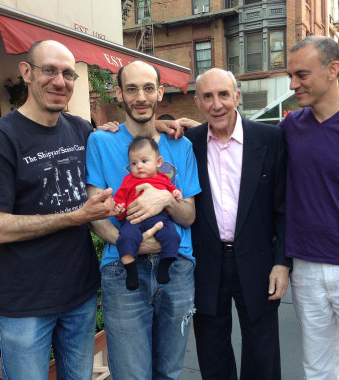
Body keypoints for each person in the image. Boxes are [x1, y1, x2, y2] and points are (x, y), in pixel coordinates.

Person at [0, 40, 119, 379]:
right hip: (25, 306)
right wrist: (75, 217)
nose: (60, 81)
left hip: (80, 295)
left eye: (68, 74)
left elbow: (126, 150)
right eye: (49, 71)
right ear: (26, 72)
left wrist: (162, 128)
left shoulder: (81, 129)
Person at [86, 60, 200, 379]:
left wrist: (166, 198)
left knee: (168, 372)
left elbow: (189, 215)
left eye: (148, 88)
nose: (141, 97)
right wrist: (133, 243)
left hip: (175, 267)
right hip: (123, 270)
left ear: (159, 93)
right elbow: (96, 216)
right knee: (131, 374)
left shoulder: (181, 144)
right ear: (119, 93)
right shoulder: (101, 141)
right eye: (132, 88)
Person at [184, 68, 289, 380]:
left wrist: (282, 263)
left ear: (237, 97)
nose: (217, 104)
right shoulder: (188, 142)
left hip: (258, 260)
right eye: (208, 97)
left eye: (224, 95)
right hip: (206, 262)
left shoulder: (270, 139)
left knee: (262, 351)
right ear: (198, 102)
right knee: (212, 352)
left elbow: (284, 207)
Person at [283, 35, 339, 379]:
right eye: (291, 76)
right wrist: (178, 127)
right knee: (317, 368)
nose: (293, 84)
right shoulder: (289, 127)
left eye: (301, 75)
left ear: (333, 70)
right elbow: (241, 139)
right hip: (306, 267)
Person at [112, 136, 182, 290]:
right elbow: (119, 199)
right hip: (133, 219)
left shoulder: (163, 178)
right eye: (134, 163)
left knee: (172, 236)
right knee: (126, 238)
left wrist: (176, 194)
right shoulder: (128, 180)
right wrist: (119, 209)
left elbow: (172, 192)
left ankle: (165, 265)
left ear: (158, 162)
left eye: (144, 161)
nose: (139, 166)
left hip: (159, 218)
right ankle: (131, 271)